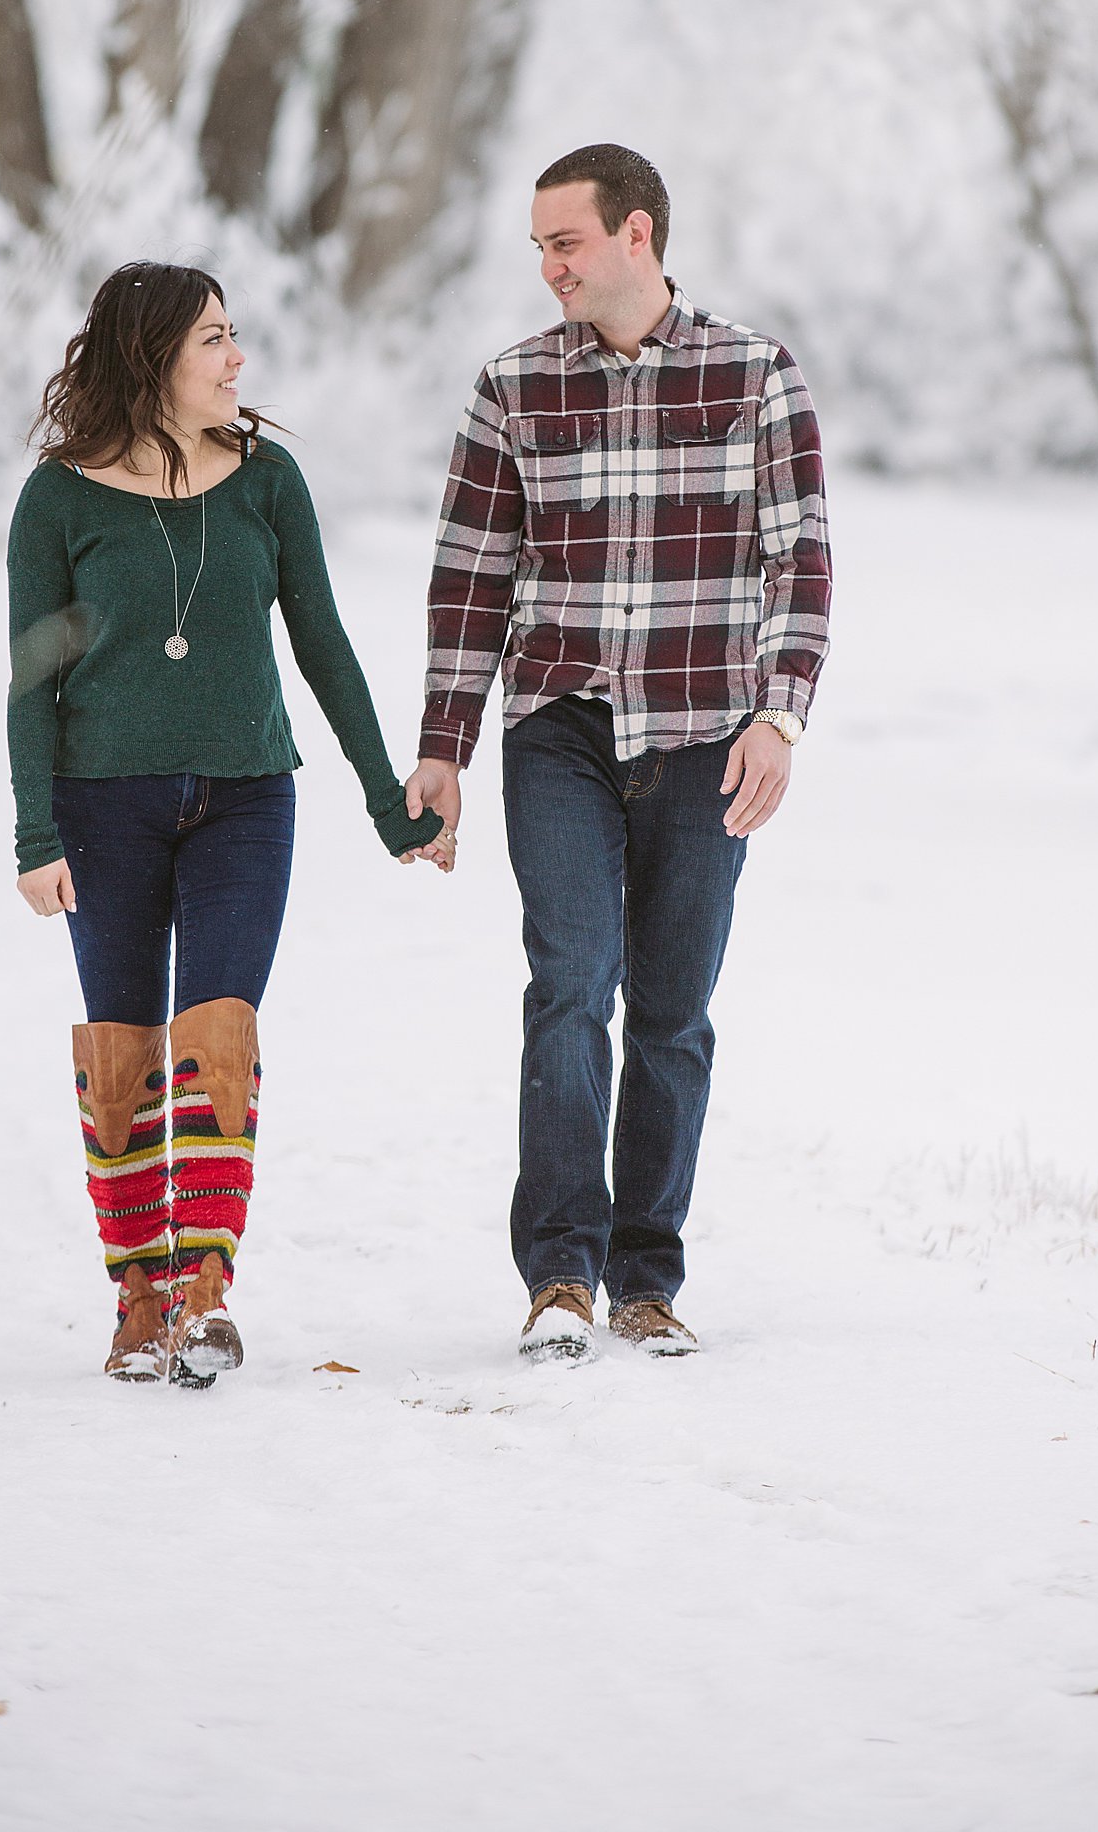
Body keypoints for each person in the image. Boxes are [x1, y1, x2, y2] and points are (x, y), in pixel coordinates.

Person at [403, 145, 831, 1359]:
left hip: (705, 736)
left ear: (634, 234)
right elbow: (469, 579)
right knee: (569, 981)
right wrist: (443, 747)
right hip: (561, 730)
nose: (547, 268)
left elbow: (798, 557)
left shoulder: (754, 375)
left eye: (564, 243)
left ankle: (648, 1276)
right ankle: (559, 1278)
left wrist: (780, 714)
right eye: (538, 246)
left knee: (674, 1011)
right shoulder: (514, 388)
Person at [9, 261, 451, 1387]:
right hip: (99, 808)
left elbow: (324, 647)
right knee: (122, 1050)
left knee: (218, 1037)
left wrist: (383, 802)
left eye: (232, 334)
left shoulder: (267, 483)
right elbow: (30, 683)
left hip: (247, 799)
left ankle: (202, 1291)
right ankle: (135, 1300)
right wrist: (33, 837)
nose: (235, 358)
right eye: (213, 338)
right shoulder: (58, 498)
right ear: (151, 354)